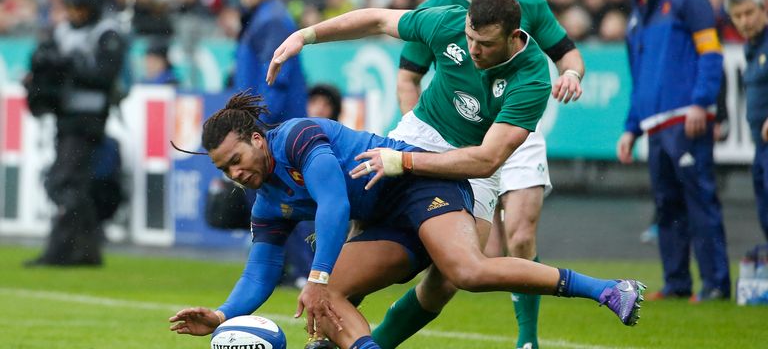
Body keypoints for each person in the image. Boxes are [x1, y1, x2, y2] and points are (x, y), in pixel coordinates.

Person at [168, 92, 645, 349]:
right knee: (322, 298)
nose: (235, 173)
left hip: (421, 186)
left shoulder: (296, 136)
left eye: (236, 159)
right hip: (388, 224)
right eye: (223, 169)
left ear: (256, 138)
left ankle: (606, 289)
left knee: (466, 272)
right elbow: (260, 270)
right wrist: (224, 315)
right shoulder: (266, 201)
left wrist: (316, 274)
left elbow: (333, 203)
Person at [387, 0, 586, 349]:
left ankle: (527, 340)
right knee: (453, 270)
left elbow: (567, 53)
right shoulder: (438, 8)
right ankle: (341, 303)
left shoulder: (526, 2)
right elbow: (408, 77)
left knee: (520, 232)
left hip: (514, 125)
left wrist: (571, 72)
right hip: (453, 133)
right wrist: (419, 135)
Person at [616, 0, 731, 302]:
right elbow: (640, 79)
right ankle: (677, 283)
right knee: (666, 205)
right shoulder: (636, 17)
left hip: (686, 118)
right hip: (653, 125)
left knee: (700, 200)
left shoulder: (687, 0)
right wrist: (630, 127)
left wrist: (701, 103)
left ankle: (715, 284)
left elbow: (711, 54)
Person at [23, 0, 127, 267]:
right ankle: (85, 249)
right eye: (70, 7)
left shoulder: (108, 33)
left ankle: (63, 249)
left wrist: (68, 64)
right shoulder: (62, 31)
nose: (74, 14)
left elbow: (104, 76)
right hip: (64, 114)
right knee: (72, 184)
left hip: (88, 118)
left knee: (64, 181)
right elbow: (44, 62)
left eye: (79, 8)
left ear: (92, 7)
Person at [281, 84, 344, 289]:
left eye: (326, 104)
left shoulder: (339, 135)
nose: (319, 108)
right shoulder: (294, 134)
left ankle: (310, 272)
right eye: (314, 102)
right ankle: (289, 271)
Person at [232, 0, 307, 124]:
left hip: (274, 132)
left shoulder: (273, 20)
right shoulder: (260, 16)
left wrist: (256, 126)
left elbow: (275, 79)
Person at [724, 0, 768, 241]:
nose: (744, 21)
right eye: (738, 16)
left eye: (749, 13)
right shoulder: (752, 48)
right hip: (759, 146)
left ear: (763, 9)